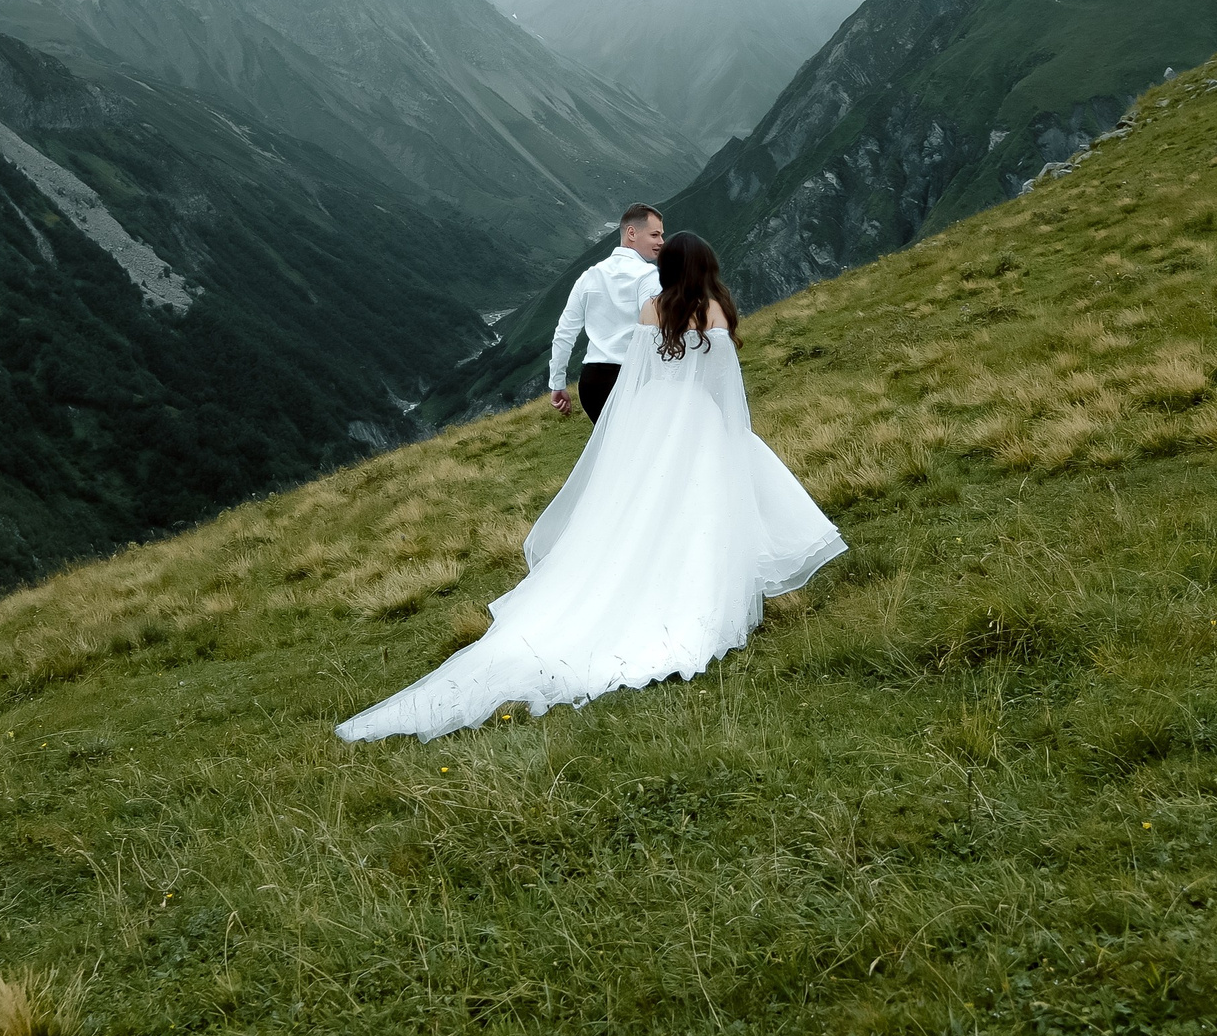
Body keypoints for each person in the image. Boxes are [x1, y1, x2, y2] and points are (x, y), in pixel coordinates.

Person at [336, 231, 845, 743]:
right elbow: (722, 384)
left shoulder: (651, 309)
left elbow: (638, 377)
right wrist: (725, 427)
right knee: (698, 505)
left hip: (650, 417)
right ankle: (691, 587)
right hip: (696, 418)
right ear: (706, 267)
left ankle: (635, 573)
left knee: (639, 505)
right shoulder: (713, 311)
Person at [548, 204, 665, 423]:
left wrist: (557, 384)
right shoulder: (648, 276)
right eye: (654, 234)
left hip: (592, 384)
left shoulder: (588, 276)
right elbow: (654, 331)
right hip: (633, 378)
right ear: (632, 233)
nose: (661, 242)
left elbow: (564, 332)